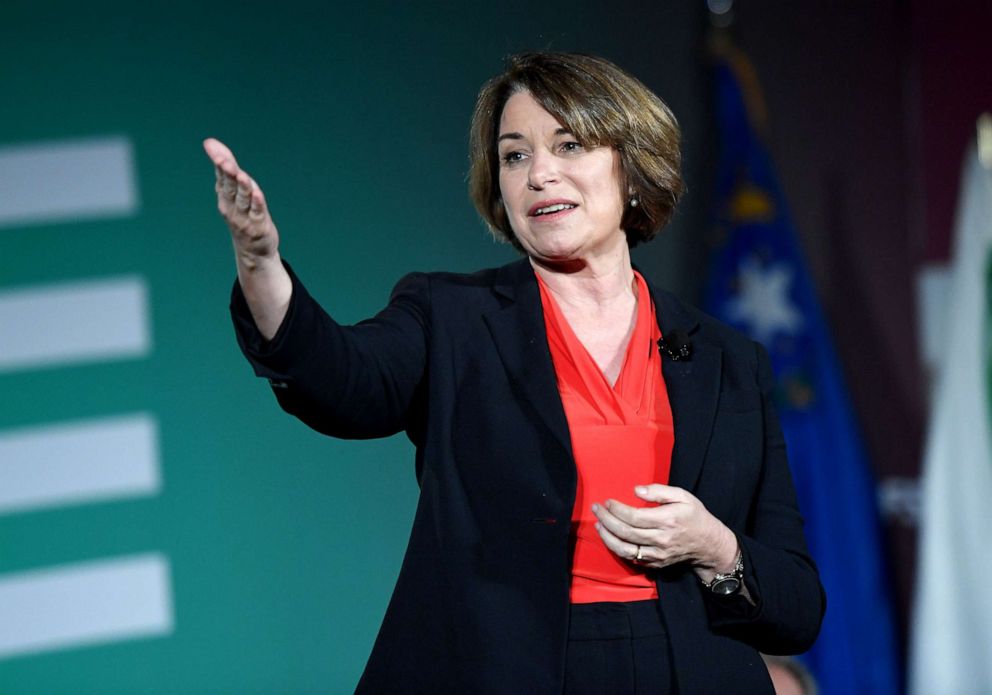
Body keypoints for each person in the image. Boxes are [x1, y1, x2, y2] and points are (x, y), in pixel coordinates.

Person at [206, 52, 824, 695]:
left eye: (570, 144)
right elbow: (342, 381)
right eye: (515, 156)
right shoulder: (450, 318)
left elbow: (798, 606)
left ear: (633, 170)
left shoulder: (728, 360)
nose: (539, 174)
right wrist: (260, 264)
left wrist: (715, 548)